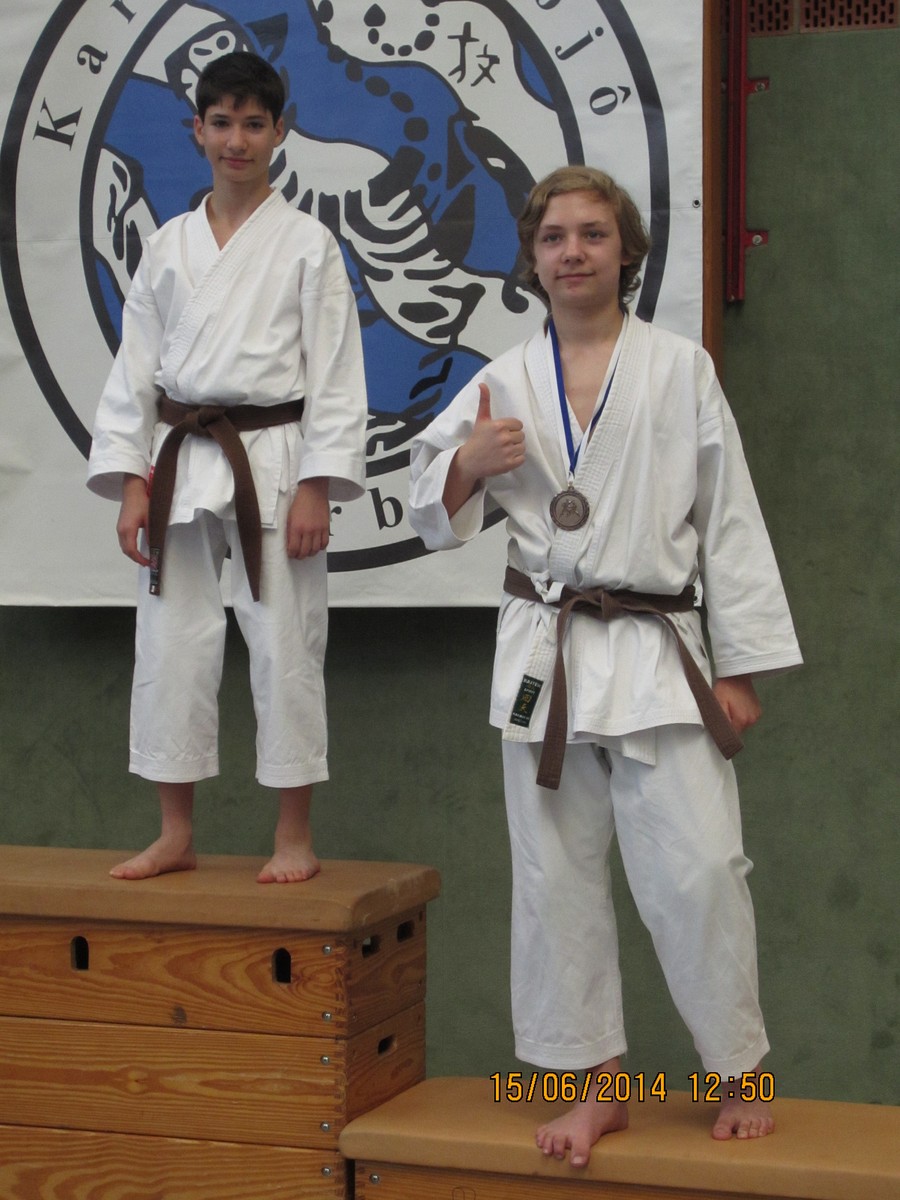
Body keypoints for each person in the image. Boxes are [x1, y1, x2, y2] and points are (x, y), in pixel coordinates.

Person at [408, 166, 802, 1163]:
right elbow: (427, 510)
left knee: (700, 869)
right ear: (531, 258)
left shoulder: (679, 369)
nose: (572, 251)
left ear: (625, 250)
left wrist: (740, 666)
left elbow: (730, 517)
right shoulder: (502, 379)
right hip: (548, 654)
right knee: (555, 878)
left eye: (592, 233)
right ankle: (597, 1085)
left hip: (658, 648)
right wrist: (467, 465)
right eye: (553, 237)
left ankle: (739, 1069)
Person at [87, 51, 368, 884]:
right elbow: (135, 372)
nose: (236, 140)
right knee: (170, 644)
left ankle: (293, 836)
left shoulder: (309, 244)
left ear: (280, 132)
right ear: (196, 131)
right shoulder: (167, 246)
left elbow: (336, 373)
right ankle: (175, 831)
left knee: (286, 644)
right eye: (221, 123)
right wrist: (132, 482)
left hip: (273, 460)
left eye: (253, 124)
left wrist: (318, 483)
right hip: (179, 458)